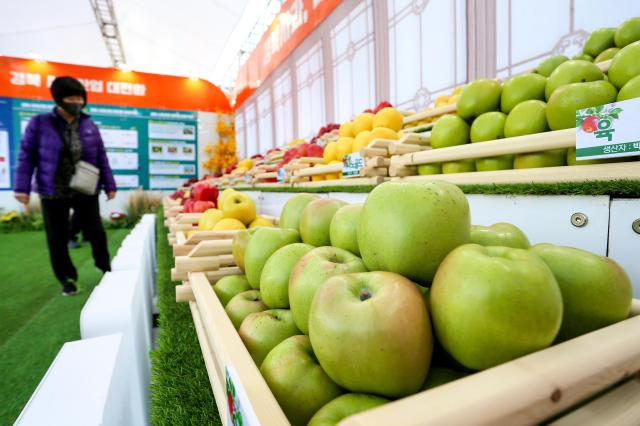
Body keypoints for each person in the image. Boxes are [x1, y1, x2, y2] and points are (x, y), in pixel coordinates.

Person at [14, 76, 116, 296]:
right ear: (59, 99)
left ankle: (105, 267)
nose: (77, 101)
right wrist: (21, 187)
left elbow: (101, 157)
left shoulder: (88, 124)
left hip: (84, 188)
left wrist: (110, 184)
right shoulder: (40, 124)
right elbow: (26, 157)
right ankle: (67, 278)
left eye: (80, 97)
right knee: (57, 238)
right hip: (53, 190)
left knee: (96, 231)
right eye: (71, 97)